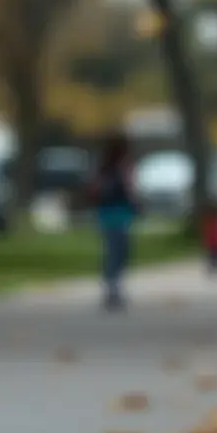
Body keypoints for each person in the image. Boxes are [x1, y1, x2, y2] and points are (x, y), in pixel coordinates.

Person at [88, 132, 139, 312]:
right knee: (120, 251)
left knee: (112, 250)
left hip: (107, 213)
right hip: (120, 212)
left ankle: (112, 286)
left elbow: (95, 189)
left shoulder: (103, 167)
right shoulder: (123, 166)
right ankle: (114, 286)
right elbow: (130, 188)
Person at [200, 200, 217, 276]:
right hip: (214, 242)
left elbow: (207, 233)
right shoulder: (215, 221)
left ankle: (215, 267)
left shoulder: (212, 221)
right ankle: (215, 267)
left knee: (215, 255)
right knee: (214, 255)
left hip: (215, 242)